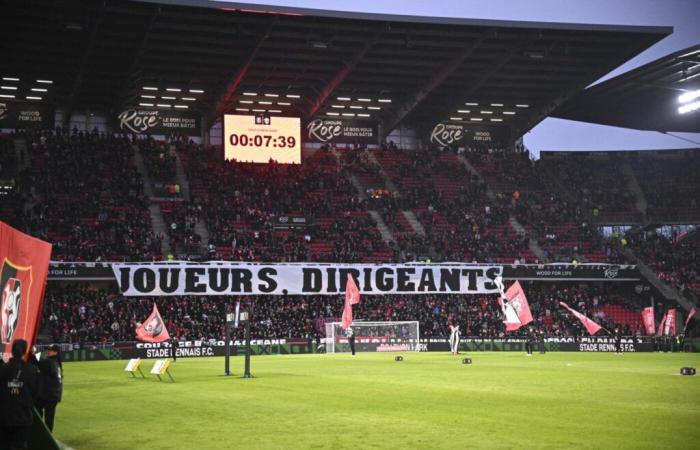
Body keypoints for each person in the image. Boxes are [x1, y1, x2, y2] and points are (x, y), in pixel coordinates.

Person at [0, 339, 40, 450]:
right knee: (20, 446)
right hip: (23, 416)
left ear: (12, 351)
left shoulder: (3, 368)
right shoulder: (32, 370)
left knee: (4, 445)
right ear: (25, 352)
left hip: (4, 416)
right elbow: (36, 392)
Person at [35, 344, 63, 432]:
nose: (48, 351)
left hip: (49, 394)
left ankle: (42, 436)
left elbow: (37, 360)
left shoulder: (49, 362)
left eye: (50, 350)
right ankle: (47, 436)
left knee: (39, 414)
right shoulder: (57, 362)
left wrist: (33, 351)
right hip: (54, 394)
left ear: (55, 352)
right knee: (49, 418)